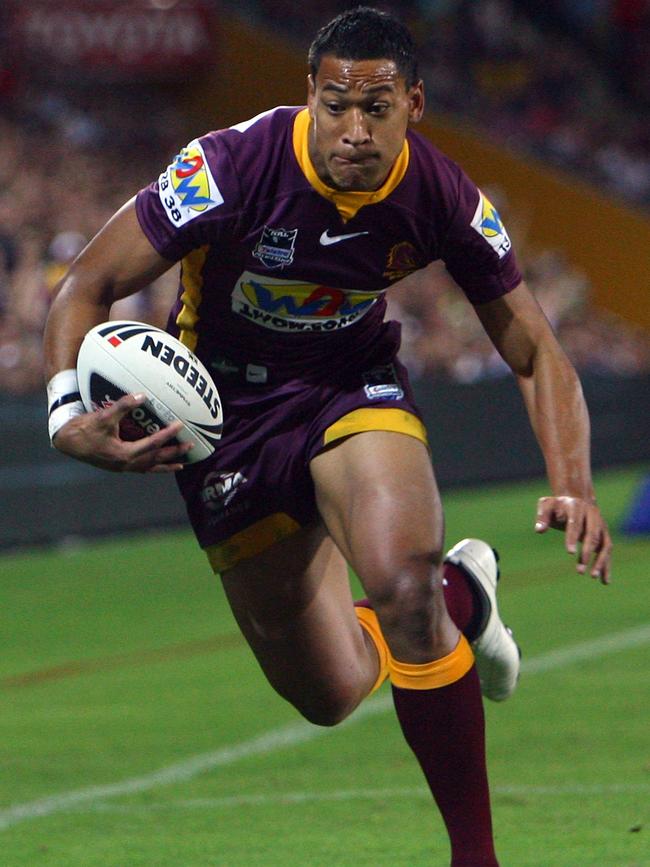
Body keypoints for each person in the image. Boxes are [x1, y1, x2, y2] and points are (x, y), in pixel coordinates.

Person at [43, 7, 612, 865]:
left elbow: (533, 345)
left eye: (376, 108)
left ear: (414, 105)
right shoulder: (229, 167)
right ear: (309, 95)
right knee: (332, 690)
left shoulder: (441, 194)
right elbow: (87, 281)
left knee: (400, 587)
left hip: (350, 387)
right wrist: (62, 416)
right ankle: (467, 591)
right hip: (222, 424)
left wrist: (574, 481)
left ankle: (477, 852)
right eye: (336, 104)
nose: (354, 129)